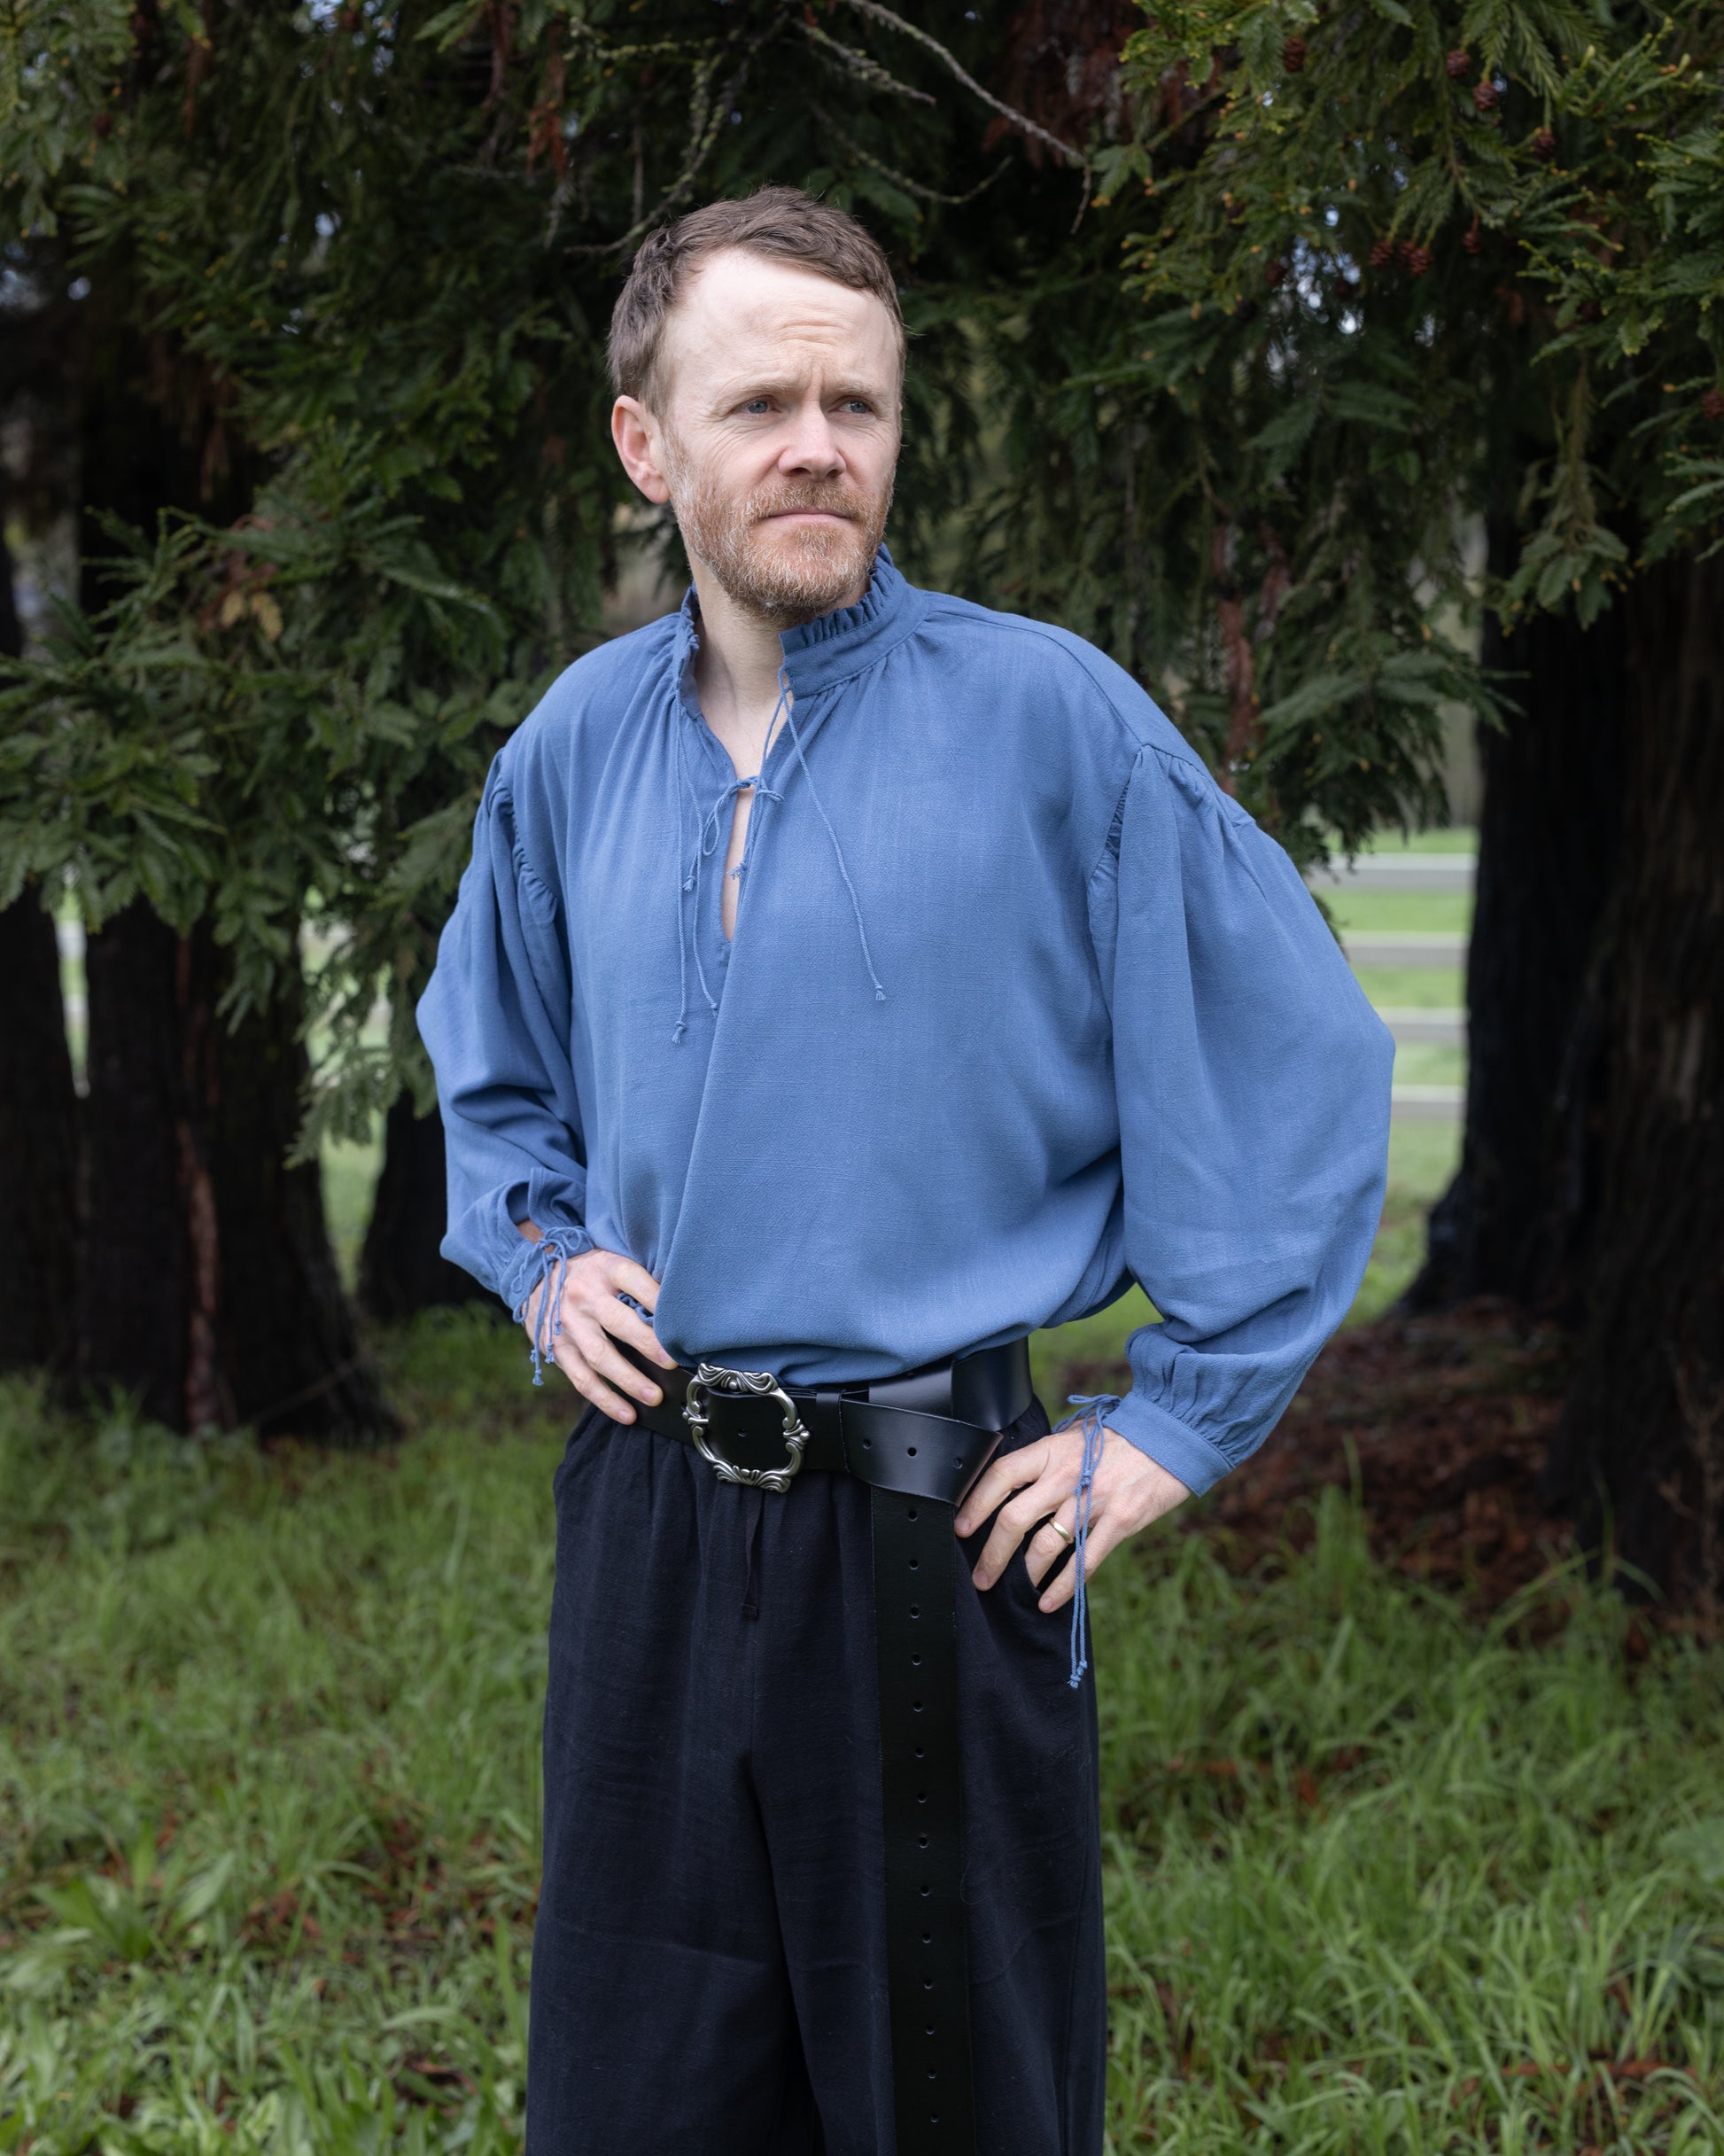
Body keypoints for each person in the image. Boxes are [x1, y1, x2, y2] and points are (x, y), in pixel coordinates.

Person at [418, 186, 1392, 2156]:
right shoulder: (572, 748)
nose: (815, 444)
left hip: (937, 1532)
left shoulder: (1050, 721)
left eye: (855, 402)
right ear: (646, 444)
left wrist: (1173, 1425)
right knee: (639, 2095)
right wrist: (537, 1256)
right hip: (648, 1521)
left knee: (956, 2097)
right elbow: (493, 1078)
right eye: (762, 399)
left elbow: (1306, 1060)